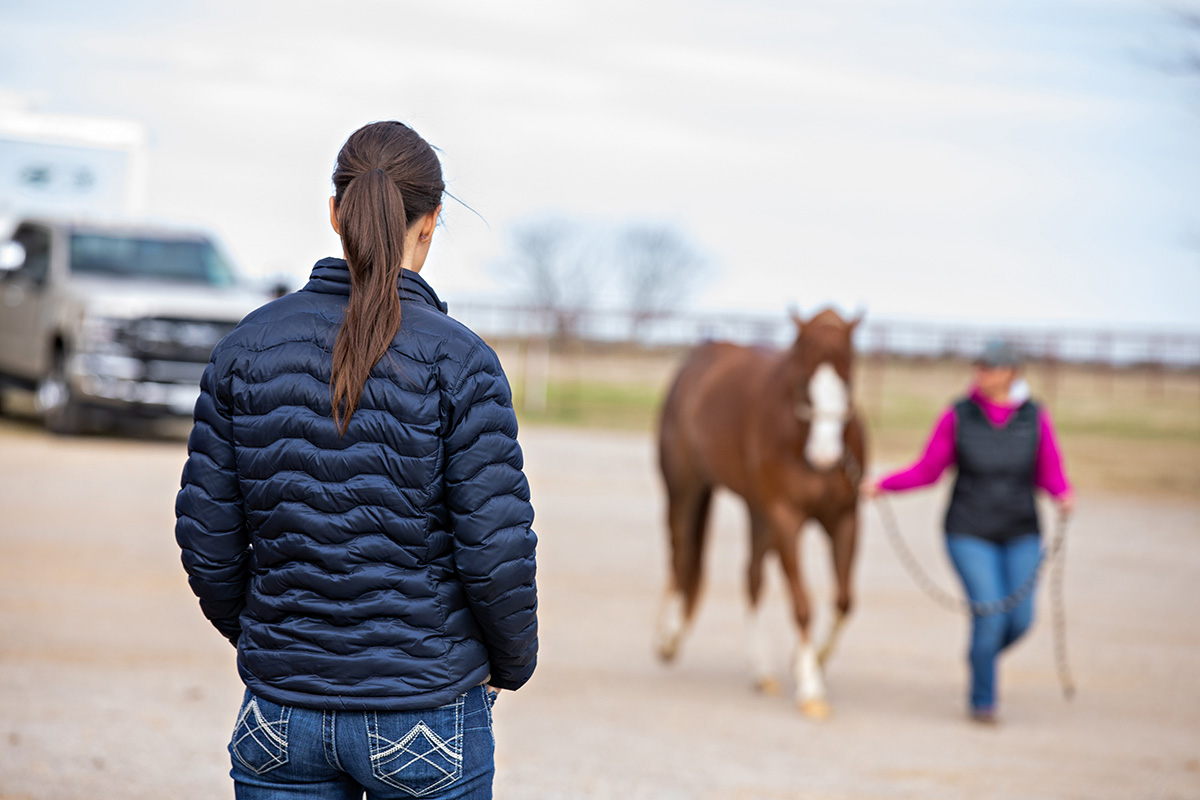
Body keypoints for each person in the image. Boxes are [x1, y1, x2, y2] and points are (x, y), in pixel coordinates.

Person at [175, 120, 538, 799]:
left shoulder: (244, 349)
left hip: (278, 715)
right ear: (430, 223)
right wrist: (510, 665)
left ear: (336, 212)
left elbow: (209, 546)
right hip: (427, 712)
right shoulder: (462, 361)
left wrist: (274, 645)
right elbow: (496, 553)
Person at [861, 339, 1072, 725]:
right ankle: (983, 701)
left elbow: (1048, 468)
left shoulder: (1034, 416)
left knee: (1020, 620)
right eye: (979, 366)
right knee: (990, 612)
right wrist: (884, 484)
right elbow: (929, 469)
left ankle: (981, 654)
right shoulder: (958, 415)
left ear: (1011, 372)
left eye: (990, 367)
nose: (981, 373)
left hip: (1021, 530)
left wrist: (1062, 494)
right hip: (969, 531)